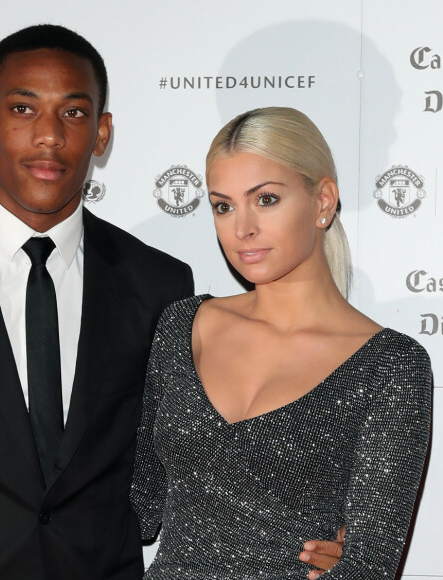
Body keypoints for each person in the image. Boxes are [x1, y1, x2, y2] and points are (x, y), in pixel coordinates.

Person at [0, 25, 344, 578]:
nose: (49, 137)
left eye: (72, 113)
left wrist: (309, 539)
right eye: (23, 109)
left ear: (102, 132)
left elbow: (186, 470)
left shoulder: (159, 284)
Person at [131, 107, 432, 579]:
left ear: (323, 201)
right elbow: (139, 503)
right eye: (223, 205)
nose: (241, 228)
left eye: (266, 199)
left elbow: (370, 566)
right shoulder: (182, 326)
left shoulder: (390, 367)